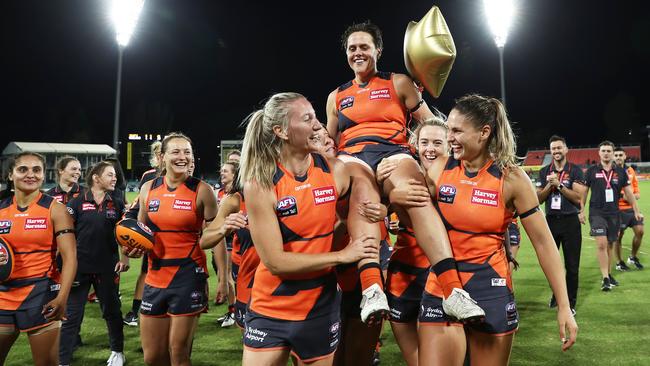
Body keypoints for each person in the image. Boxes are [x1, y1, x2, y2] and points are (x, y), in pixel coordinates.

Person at [389, 94, 578, 365]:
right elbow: (416, 218)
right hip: (442, 286)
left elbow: (544, 244)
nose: (449, 137)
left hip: (490, 289)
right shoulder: (441, 168)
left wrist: (563, 306)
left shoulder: (512, 178)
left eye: (456, 130)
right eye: (448, 129)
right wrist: (397, 196)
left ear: (484, 133)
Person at [326, 20, 484, 324]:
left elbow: (431, 125)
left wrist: (428, 154)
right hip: (353, 157)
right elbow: (330, 145)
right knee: (361, 191)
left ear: (378, 51)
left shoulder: (398, 83)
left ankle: (453, 291)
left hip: (394, 152)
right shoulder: (335, 97)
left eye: (364, 47)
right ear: (346, 53)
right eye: (352, 48)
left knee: (416, 194)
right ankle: (372, 287)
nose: (358, 52)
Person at [240, 92, 378, 366]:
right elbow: (276, 262)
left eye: (316, 117)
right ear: (281, 131)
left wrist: (382, 209)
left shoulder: (335, 170)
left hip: (320, 306)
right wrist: (341, 256)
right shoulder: (260, 183)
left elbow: (368, 201)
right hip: (272, 306)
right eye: (307, 119)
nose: (319, 125)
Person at [125, 132, 218, 366]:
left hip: (188, 276)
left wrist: (224, 279)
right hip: (155, 278)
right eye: (176, 151)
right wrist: (133, 247)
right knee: (153, 357)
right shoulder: (147, 189)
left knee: (178, 354)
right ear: (162, 157)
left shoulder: (202, 190)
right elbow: (142, 230)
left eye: (187, 152)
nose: (183, 157)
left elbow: (215, 236)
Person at [376, 117, 448, 366]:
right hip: (404, 274)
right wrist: (385, 189)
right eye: (424, 142)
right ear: (414, 145)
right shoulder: (400, 171)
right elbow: (374, 209)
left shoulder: (457, 177)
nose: (430, 148)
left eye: (438, 142)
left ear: (450, 145)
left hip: (441, 275)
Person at [0, 152, 77, 365]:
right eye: (23, 169)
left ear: (44, 176)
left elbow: (70, 258)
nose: (30, 175)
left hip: (41, 295)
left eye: (37, 170)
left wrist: (62, 298)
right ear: (10, 175)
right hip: (3, 295)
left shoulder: (56, 209)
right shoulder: (1, 209)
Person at [59, 161, 129, 366]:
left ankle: (117, 352)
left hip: (108, 267)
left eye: (115, 174)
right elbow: (65, 236)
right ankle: (62, 359)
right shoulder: (76, 202)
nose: (115, 178)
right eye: (110, 174)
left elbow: (125, 233)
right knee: (71, 315)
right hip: (79, 268)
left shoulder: (116, 202)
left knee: (112, 311)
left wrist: (124, 257)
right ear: (96, 178)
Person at [580, 141, 642, 291]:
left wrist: (636, 210)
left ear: (613, 153)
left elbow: (629, 193)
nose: (606, 153)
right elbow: (584, 192)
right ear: (599, 153)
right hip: (597, 213)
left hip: (614, 214)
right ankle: (606, 278)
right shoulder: (591, 171)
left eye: (609, 150)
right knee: (601, 244)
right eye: (603, 150)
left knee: (609, 245)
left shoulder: (621, 172)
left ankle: (608, 274)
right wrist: (581, 210)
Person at [536, 135, 586, 313]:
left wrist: (560, 185)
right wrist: (549, 186)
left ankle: (570, 304)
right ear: (550, 151)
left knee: (572, 266)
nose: (556, 151)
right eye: (553, 149)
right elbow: (538, 200)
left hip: (570, 221)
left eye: (559, 148)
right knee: (551, 265)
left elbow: (578, 198)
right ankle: (557, 296)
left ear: (565, 150)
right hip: (550, 222)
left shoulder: (576, 170)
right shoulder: (544, 171)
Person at [123, 140, 162, 327]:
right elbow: (141, 203)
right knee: (146, 272)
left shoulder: (184, 174)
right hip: (151, 233)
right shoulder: (149, 176)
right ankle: (135, 311)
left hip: (173, 237)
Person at [211, 161, 238, 327]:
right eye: (221, 171)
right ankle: (231, 310)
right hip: (219, 238)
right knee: (222, 276)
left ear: (234, 175)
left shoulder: (236, 195)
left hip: (230, 239)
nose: (222, 173)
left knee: (227, 277)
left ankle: (234, 312)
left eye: (226, 171)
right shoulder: (219, 192)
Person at [613, 147, 644, 270]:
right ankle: (619, 263)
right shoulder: (610, 171)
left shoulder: (630, 171)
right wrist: (623, 195)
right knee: (618, 236)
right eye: (616, 155)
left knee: (640, 231)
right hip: (617, 209)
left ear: (625, 156)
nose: (619, 157)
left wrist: (633, 196)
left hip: (632, 208)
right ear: (613, 157)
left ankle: (632, 257)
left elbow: (636, 192)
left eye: (621, 155)